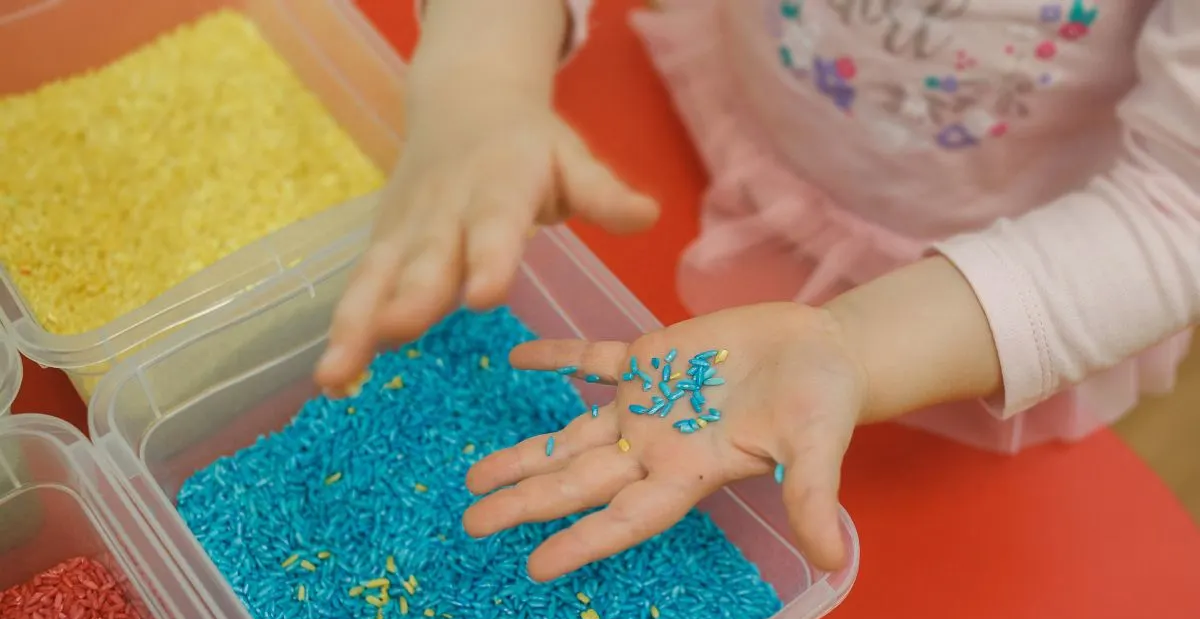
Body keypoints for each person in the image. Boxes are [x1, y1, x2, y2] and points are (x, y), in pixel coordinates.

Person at [314, 0, 1200, 580]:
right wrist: (483, 72)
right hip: (737, 111)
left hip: (980, 297)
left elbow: (1177, 206)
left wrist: (856, 343)